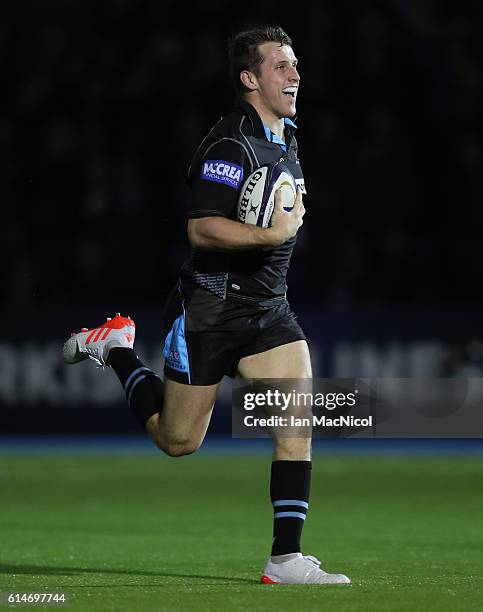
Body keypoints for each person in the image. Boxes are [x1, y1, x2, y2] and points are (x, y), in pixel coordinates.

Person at [63, 25, 350, 586]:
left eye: (295, 64)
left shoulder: (284, 137)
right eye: (281, 66)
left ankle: (285, 559)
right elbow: (203, 229)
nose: (295, 74)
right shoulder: (229, 145)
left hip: (269, 308)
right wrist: (269, 237)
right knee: (178, 441)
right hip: (210, 309)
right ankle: (119, 349)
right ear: (250, 78)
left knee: (297, 423)